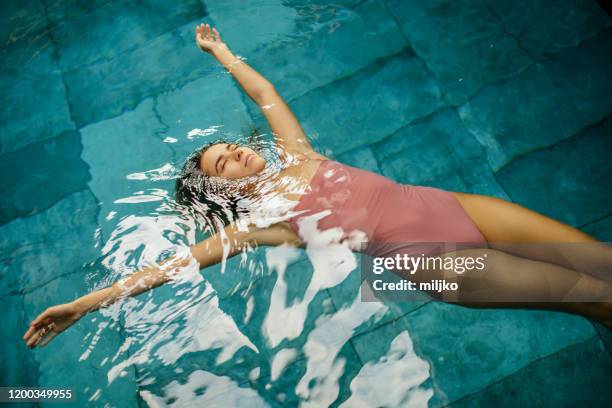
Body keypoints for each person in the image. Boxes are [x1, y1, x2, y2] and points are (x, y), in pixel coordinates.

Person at [24, 23, 611, 349]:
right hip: (428, 260)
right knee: (596, 294)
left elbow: (264, 95)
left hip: (451, 207)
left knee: (604, 268)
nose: (232, 153)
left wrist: (223, 53)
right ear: (222, 193)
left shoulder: (296, 153)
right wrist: (83, 303)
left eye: (228, 148)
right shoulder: (260, 226)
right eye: (221, 164)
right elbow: (176, 265)